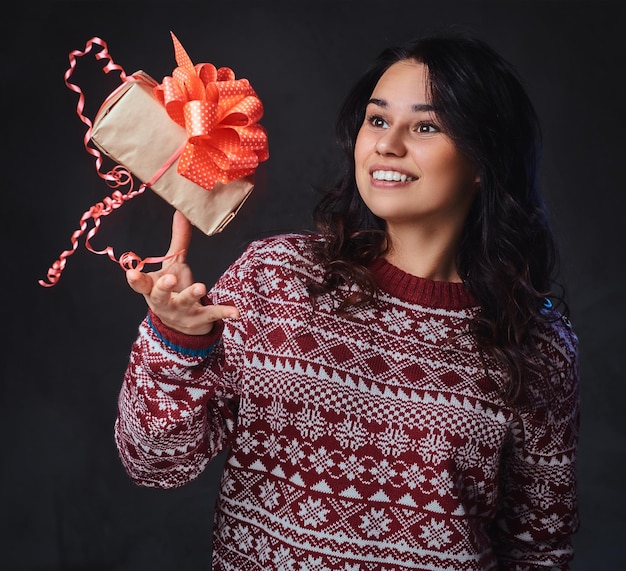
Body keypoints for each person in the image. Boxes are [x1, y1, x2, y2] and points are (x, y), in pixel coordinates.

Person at [115, 33, 579, 571]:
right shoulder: (276, 278)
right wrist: (178, 344)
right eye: (377, 120)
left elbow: (539, 552)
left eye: (426, 126)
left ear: (483, 159)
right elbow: (154, 463)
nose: (387, 143)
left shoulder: (537, 343)